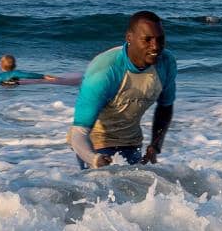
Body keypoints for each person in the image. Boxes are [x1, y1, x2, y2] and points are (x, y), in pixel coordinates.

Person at [66, 11, 176, 169]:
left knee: (140, 190)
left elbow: (165, 107)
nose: (156, 46)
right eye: (147, 40)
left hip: (131, 142)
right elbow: (79, 133)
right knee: (104, 191)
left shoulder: (166, 62)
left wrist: (154, 147)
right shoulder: (104, 70)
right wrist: (94, 159)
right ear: (129, 38)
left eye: (160, 39)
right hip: (95, 142)